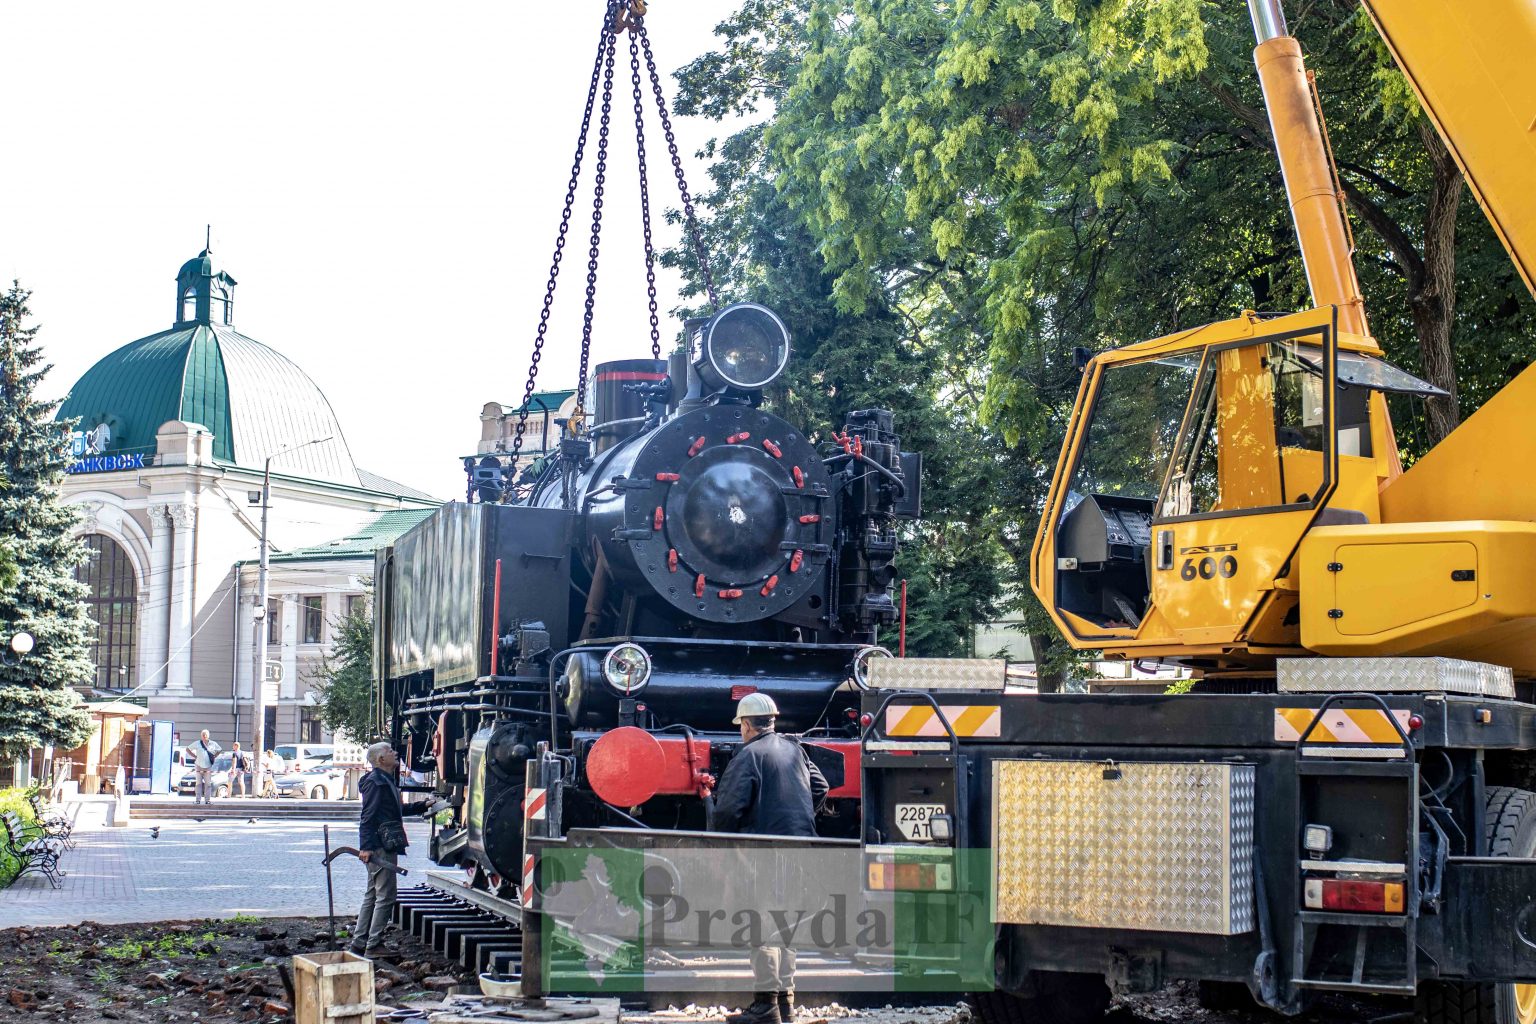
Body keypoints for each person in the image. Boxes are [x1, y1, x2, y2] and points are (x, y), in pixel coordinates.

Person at [712, 693, 829, 1024]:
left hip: (764, 852)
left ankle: (765, 1005)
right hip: (801, 849)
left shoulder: (748, 756)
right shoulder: (795, 749)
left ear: (747, 725)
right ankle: (786, 1003)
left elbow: (728, 811)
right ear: (772, 722)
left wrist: (723, 846)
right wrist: (796, 814)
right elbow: (821, 787)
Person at [351, 742, 431, 957]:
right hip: (380, 846)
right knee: (385, 896)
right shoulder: (377, 783)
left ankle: (360, 942)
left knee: (372, 894)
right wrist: (366, 847)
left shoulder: (384, 780)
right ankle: (373, 944)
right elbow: (368, 816)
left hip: (380, 844)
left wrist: (422, 806)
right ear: (380, 760)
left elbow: (394, 811)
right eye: (389, 751)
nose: (395, 752)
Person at [188, 730, 222, 806]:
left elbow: (219, 749)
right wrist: (194, 756)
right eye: (203, 734)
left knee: (208, 784)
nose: (204, 736)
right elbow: (188, 749)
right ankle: (198, 800)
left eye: (206, 734)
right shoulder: (197, 743)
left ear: (208, 735)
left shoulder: (213, 743)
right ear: (201, 735)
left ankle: (207, 800)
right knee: (198, 784)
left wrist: (214, 756)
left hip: (208, 766)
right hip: (198, 766)